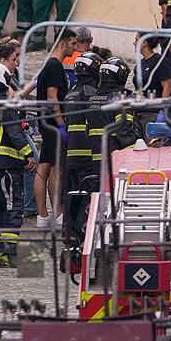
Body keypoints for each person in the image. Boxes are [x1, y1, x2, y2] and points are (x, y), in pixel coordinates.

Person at [0, 44, 36, 267]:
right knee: (13, 207)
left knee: (0, 209)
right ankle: (14, 256)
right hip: (7, 164)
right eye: (14, 59)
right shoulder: (6, 102)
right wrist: (29, 153)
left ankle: (0, 253)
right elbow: (13, 130)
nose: (17, 63)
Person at [34, 27, 75, 228]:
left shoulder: (47, 65)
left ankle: (43, 216)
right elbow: (53, 97)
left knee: (44, 166)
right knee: (57, 169)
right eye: (73, 44)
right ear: (63, 43)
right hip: (52, 124)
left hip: (44, 123)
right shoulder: (55, 66)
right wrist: (61, 125)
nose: (74, 48)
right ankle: (56, 214)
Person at [63, 50, 101, 242]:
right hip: (88, 155)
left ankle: (69, 234)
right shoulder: (91, 94)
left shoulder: (70, 93)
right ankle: (84, 236)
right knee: (88, 199)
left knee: (72, 198)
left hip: (71, 155)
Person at [85, 57, 137, 174]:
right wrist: (135, 153)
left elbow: (87, 131)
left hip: (95, 161)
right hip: (115, 161)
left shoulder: (91, 100)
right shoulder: (120, 100)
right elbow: (124, 132)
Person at [133, 32, 171, 135]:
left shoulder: (159, 61)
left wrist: (163, 111)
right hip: (139, 112)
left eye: (136, 39)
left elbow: (167, 86)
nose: (134, 43)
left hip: (153, 113)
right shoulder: (140, 64)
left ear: (145, 42)